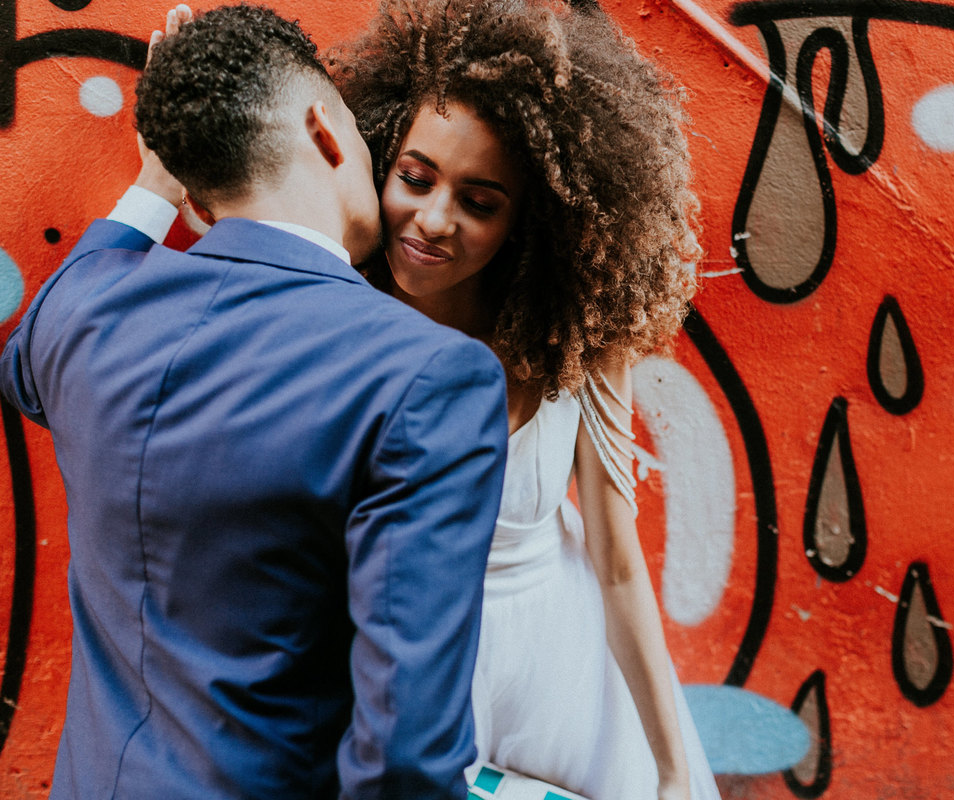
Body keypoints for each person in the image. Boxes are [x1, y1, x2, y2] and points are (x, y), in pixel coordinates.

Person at [0, 5, 508, 799]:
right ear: (325, 129)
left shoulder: (83, 316)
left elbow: (28, 360)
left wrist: (152, 187)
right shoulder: (430, 377)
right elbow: (405, 758)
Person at [328, 1, 719, 798]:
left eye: (479, 201)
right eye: (415, 177)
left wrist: (673, 769)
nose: (432, 221)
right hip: (398, 679)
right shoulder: (339, 315)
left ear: (532, 221)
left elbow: (616, 566)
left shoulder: (574, 339)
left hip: (560, 677)